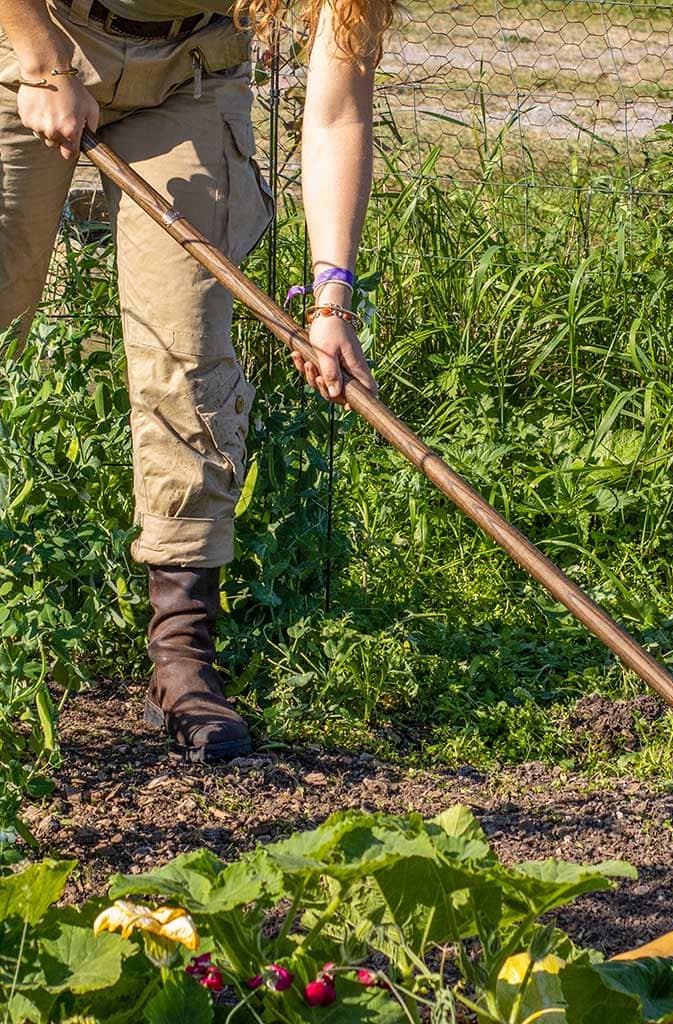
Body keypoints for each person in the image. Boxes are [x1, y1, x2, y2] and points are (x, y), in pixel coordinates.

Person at [0, 0, 389, 760]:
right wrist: (43, 66)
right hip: (38, 29)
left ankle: (182, 657)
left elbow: (338, 113)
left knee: (188, 357)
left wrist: (331, 300)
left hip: (189, 71)